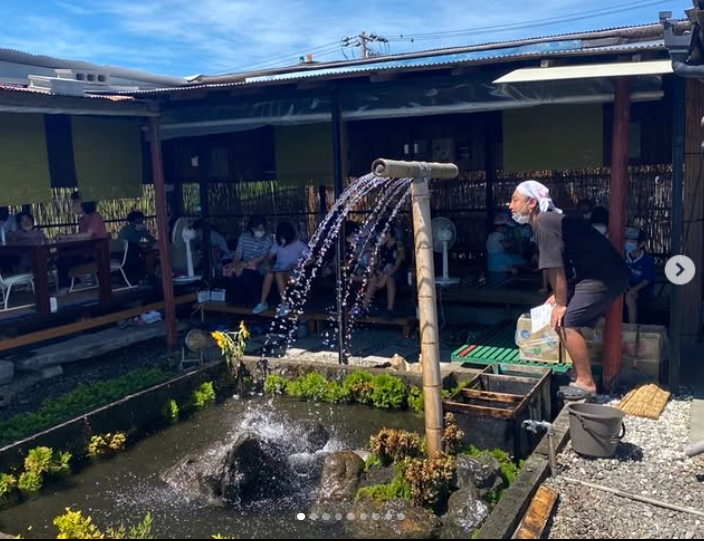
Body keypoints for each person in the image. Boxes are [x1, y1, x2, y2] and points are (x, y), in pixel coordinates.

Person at [509, 180, 628, 398]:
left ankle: (586, 383)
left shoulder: (544, 222)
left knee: (567, 322)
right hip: (592, 274)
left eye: (515, 200)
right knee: (560, 319)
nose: (510, 205)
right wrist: (556, 296)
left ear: (532, 203)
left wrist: (561, 303)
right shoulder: (546, 222)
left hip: (603, 275)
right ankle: (577, 372)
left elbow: (555, 267)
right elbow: (560, 263)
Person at [253, 222, 310, 316]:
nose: (282, 239)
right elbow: (268, 257)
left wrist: (299, 265)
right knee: (269, 274)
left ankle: (284, 305)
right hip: (278, 270)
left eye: (284, 237)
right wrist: (267, 264)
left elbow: (312, 259)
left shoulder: (300, 245)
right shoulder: (278, 244)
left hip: (292, 274)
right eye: (280, 237)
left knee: (279, 274)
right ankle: (262, 303)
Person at [357, 220, 406, 320]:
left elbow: (397, 265)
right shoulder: (382, 246)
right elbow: (380, 264)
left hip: (399, 273)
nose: (380, 236)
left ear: (389, 233)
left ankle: (390, 309)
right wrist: (379, 272)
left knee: (389, 279)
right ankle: (364, 307)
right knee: (374, 278)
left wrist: (385, 276)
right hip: (385, 272)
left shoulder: (399, 245)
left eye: (382, 234)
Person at [56, 200, 109, 294]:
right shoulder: (82, 220)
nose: (73, 206)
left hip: (98, 254)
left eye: (75, 203)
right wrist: (66, 240)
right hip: (87, 252)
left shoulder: (95, 216)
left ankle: (66, 286)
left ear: (84, 204)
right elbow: (81, 238)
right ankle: (73, 283)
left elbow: (88, 235)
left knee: (63, 260)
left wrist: (66, 236)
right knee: (62, 255)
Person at [223, 215, 273, 307]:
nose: (261, 231)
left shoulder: (268, 238)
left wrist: (245, 264)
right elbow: (238, 254)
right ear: (252, 228)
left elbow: (262, 257)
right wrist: (234, 265)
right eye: (259, 229)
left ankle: (255, 300)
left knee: (246, 275)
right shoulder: (244, 237)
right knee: (232, 273)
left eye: (262, 229)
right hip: (243, 264)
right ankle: (238, 302)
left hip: (259, 267)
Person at [624, 227, 655, 325]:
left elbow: (647, 279)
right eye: (627, 240)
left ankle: (631, 328)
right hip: (625, 286)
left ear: (641, 244)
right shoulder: (623, 255)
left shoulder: (647, 259)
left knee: (629, 297)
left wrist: (633, 290)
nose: (628, 243)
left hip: (643, 290)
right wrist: (628, 288)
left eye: (632, 241)